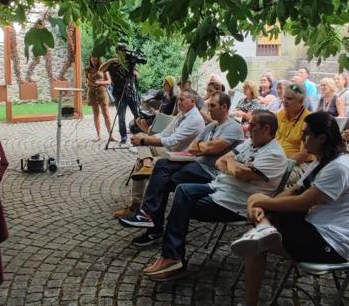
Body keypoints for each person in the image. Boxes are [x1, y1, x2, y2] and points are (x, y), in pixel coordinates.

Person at [230, 112, 349, 306]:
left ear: (321, 138)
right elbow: (296, 189)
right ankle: (264, 227)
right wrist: (266, 206)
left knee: (255, 244)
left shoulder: (339, 167)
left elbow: (303, 202)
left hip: (331, 244)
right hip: (315, 227)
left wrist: (260, 201)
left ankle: (263, 232)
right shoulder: (323, 160)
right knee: (262, 226)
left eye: (306, 134)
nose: (302, 139)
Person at [141, 110, 288, 280]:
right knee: (181, 189)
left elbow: (242, 173)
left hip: (234, 203)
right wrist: (233, 165)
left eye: (252, 125)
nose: (247, 129)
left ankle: (172, 257)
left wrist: (232, 164)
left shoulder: (274, 154)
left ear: (267, 128)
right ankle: (171, 256)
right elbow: (220, 161)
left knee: (181, 204)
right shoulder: (250, 143)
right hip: (219, 188)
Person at [118, 92, 245, 246]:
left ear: (224, 107)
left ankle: (152, 226)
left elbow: (213, 148)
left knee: (161, 181)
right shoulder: (211, 125)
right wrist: (204, 147)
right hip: (195, 163)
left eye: (212, 106)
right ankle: (148, 218)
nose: (208, 110)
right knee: (162, 165)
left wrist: (204, 147)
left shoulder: (233, 127)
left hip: (210, 172)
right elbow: (193, 147)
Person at [113, 91, 205, 217]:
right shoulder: (182, 114)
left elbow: (172, 140)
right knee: (143, 141)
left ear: (192, 102)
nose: (178, 102)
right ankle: (147, 163)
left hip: (180, 156)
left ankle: (135, 205)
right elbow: (165, 133)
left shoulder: (195, 120)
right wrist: (145, 137)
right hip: (170, 150)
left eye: (182, 100)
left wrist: (145, 140)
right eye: (178, 99)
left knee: (142, 150)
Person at [100, 43, 140, 143]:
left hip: (130, 91)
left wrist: (135, 73)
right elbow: (101, 70)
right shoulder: (113, 63)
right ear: (118, 51)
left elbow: (137, 74)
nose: (124, 52)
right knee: (121, 116)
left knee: (137, 114)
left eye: (125, 50)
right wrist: (110, 61)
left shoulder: (129, 62)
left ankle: (140, 133)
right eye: (122, 50)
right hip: (119, 93)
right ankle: (123, 136)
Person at [276, 84, 313, 184]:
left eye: (289, 99)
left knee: (271, 177)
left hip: (300, 164)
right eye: (284, 97)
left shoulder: (309, 121)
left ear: (300, 102)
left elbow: (304, 155)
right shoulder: (279, 114)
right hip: (277, 160)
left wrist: (279, 163)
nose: (284, 101)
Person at [85, 56, 115, 142]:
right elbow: (86, 81)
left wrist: (100, 82)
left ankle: (111, 135)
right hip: (92, 93)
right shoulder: (87, 69)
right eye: (92, 59)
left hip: (102, 92)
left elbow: (109, 81)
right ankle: (98, 135)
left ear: (98, 59)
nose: (94, 60)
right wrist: (88, 83)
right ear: (90, 59)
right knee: (96, 114)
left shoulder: (104, 67)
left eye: (95, 58)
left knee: (106, 113)